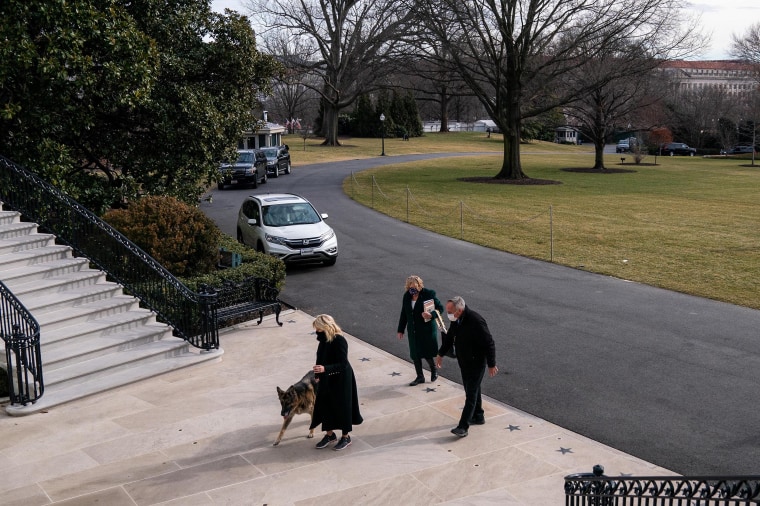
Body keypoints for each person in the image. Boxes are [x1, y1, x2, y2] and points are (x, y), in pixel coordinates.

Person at [435, 296, 498, 438]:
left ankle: (463, 426)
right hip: (464, 362)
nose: (448, 314)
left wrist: (491, 364)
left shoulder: (476, 321)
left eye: (450, 311)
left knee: (470, 394)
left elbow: (489, 343)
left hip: (477, 363)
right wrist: (440, 354)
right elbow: (450, 337)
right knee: (473, 390)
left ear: (460, 310)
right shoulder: (457, 320)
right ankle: (478, 415)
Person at [310, 314, 363, 451]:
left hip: (341, 379)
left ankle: (345, 437)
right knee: (326, 405)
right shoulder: (323, 340)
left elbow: (343, 363)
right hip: (326, 377)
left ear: (325, 327)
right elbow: (320, 357)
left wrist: (324, 369)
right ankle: (330, 435)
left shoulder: (339, 340)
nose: (316, 331)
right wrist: (318, 374)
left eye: (318, 328)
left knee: (342, 407)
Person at [397, 275, 444, 386]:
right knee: (415, 353)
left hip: (426, 330)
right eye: (409, 288)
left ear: (419, 286)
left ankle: (434, 370)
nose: (412, 290)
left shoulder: (428, 294)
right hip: (413, 330)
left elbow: (440, 308)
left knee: (426, 352)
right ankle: (420, 376)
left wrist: (431, 315)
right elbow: (404, 313)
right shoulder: (407, 297)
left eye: (414, 287)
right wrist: (400, 330)